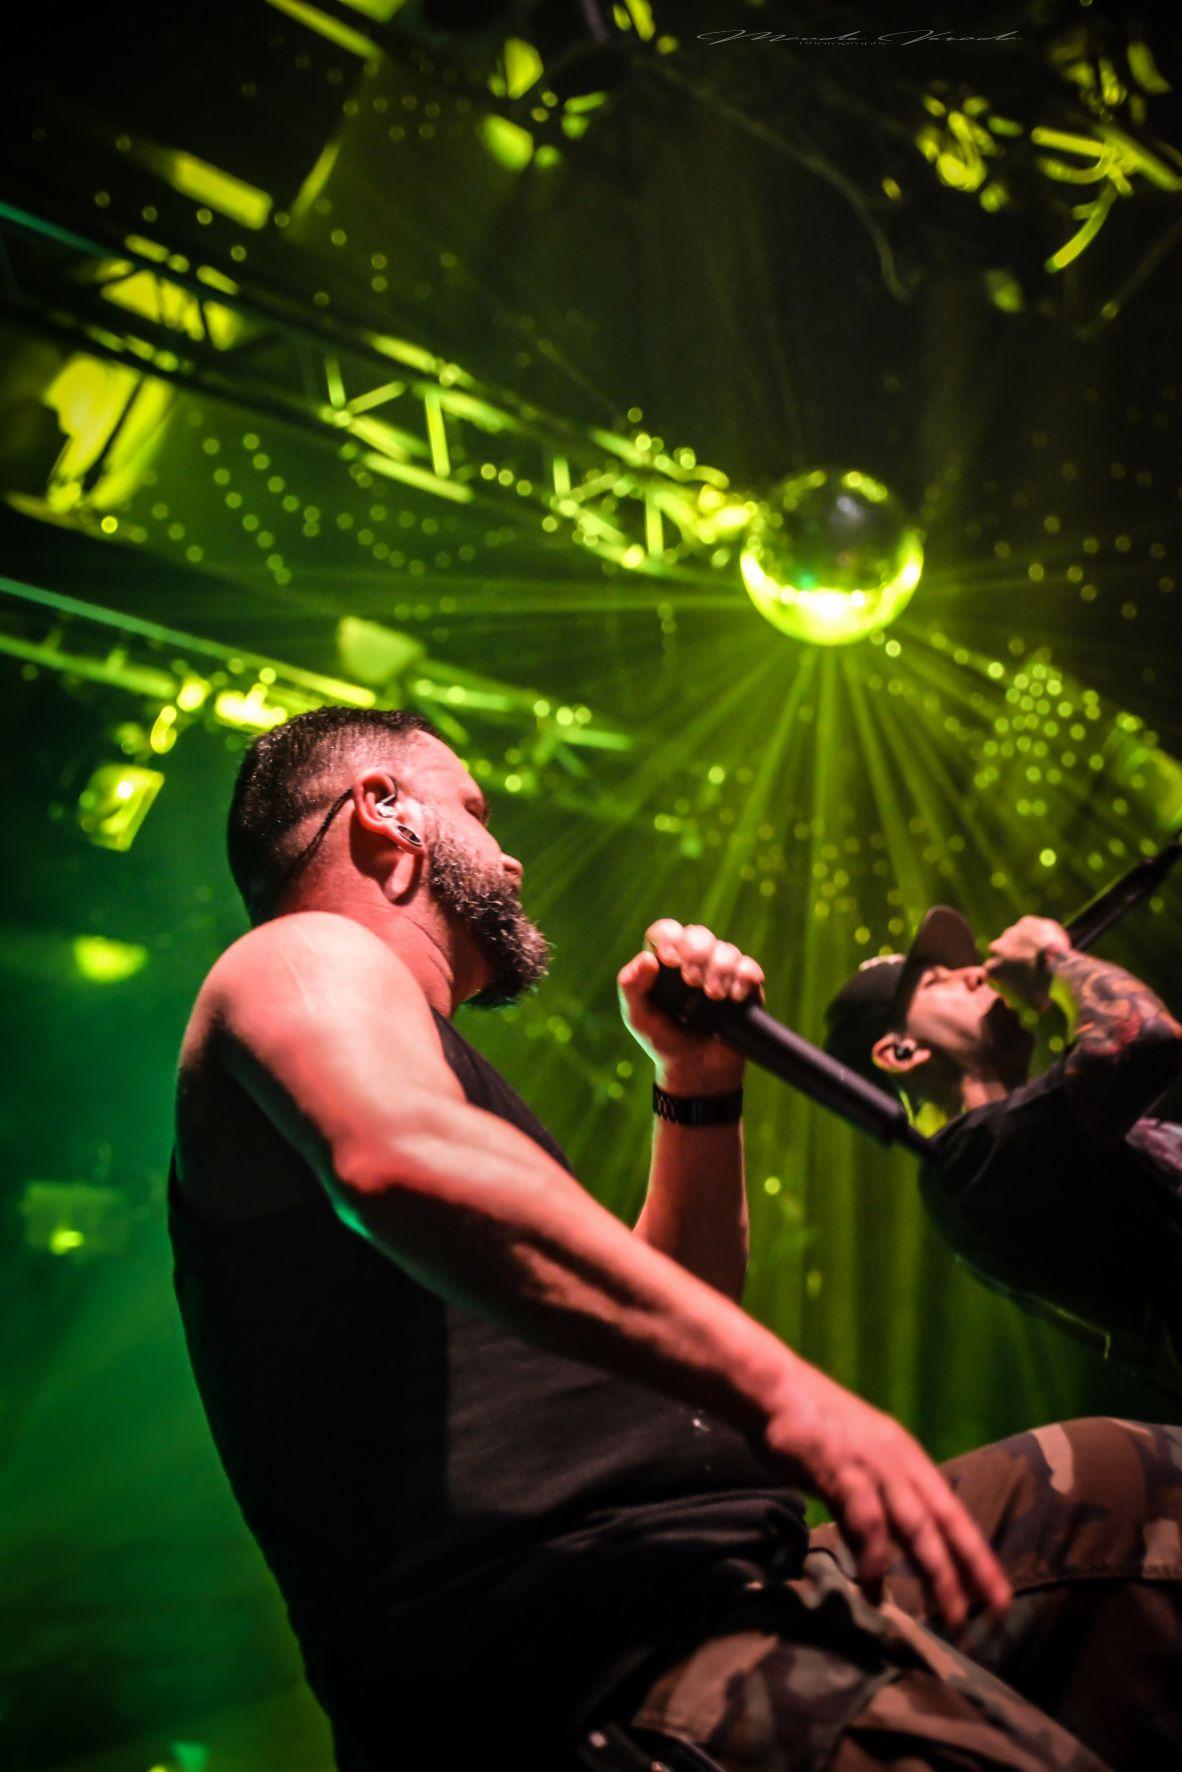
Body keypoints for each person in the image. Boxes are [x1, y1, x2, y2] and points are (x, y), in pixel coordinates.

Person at [171, 710, 1182, 1770]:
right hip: (582, 1660)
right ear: (386, 811)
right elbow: (398, 1158)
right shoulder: (297, 956)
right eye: (476, 811)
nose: (510, 857)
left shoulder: (433, 1075)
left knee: (1132, 1490)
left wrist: (696, 1080)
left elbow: (660, 1325)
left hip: (727, 1574)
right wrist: (789, 1393)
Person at [823, 905, 1182, 1394]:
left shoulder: (1075, 1132)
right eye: (938, 982)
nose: (976, 974)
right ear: (901, 1052)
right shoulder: (968, 1166)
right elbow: (1142, 1041)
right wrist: (1049, 959)